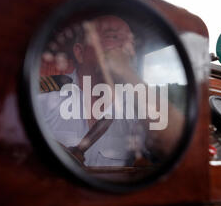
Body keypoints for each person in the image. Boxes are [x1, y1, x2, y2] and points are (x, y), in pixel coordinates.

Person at [38, 15, 184, 167]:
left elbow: (179, 148)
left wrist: (127, 73)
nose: (127, 48)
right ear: (80, 53)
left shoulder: (137, 106)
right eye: (113, 37)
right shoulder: (45, 94)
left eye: (131, 43)